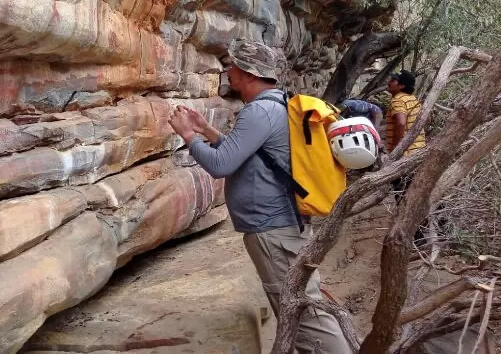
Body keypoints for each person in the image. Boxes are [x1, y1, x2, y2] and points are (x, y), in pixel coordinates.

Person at [168, 39, 352, 354]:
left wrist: (187, 135)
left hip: (273, 231)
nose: (228, 71)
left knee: (304, 315)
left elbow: (220, 164)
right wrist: (204, 129)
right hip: (282, 225)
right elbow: (247, 153)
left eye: (234, 66)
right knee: (299, 303)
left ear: (249, 73)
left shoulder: (258, 112)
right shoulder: (277, 104)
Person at [386, 70, 426, 200]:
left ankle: (404, 217)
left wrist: (397, 148)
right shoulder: (413, 99)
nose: (389, 82)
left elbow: (401, 122)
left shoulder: (397, 100)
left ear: (401, 86)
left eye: (393, 81)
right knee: (419, 188)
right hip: (419, 150)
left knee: (401, 190)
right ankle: (438, 218)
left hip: (405, 154)